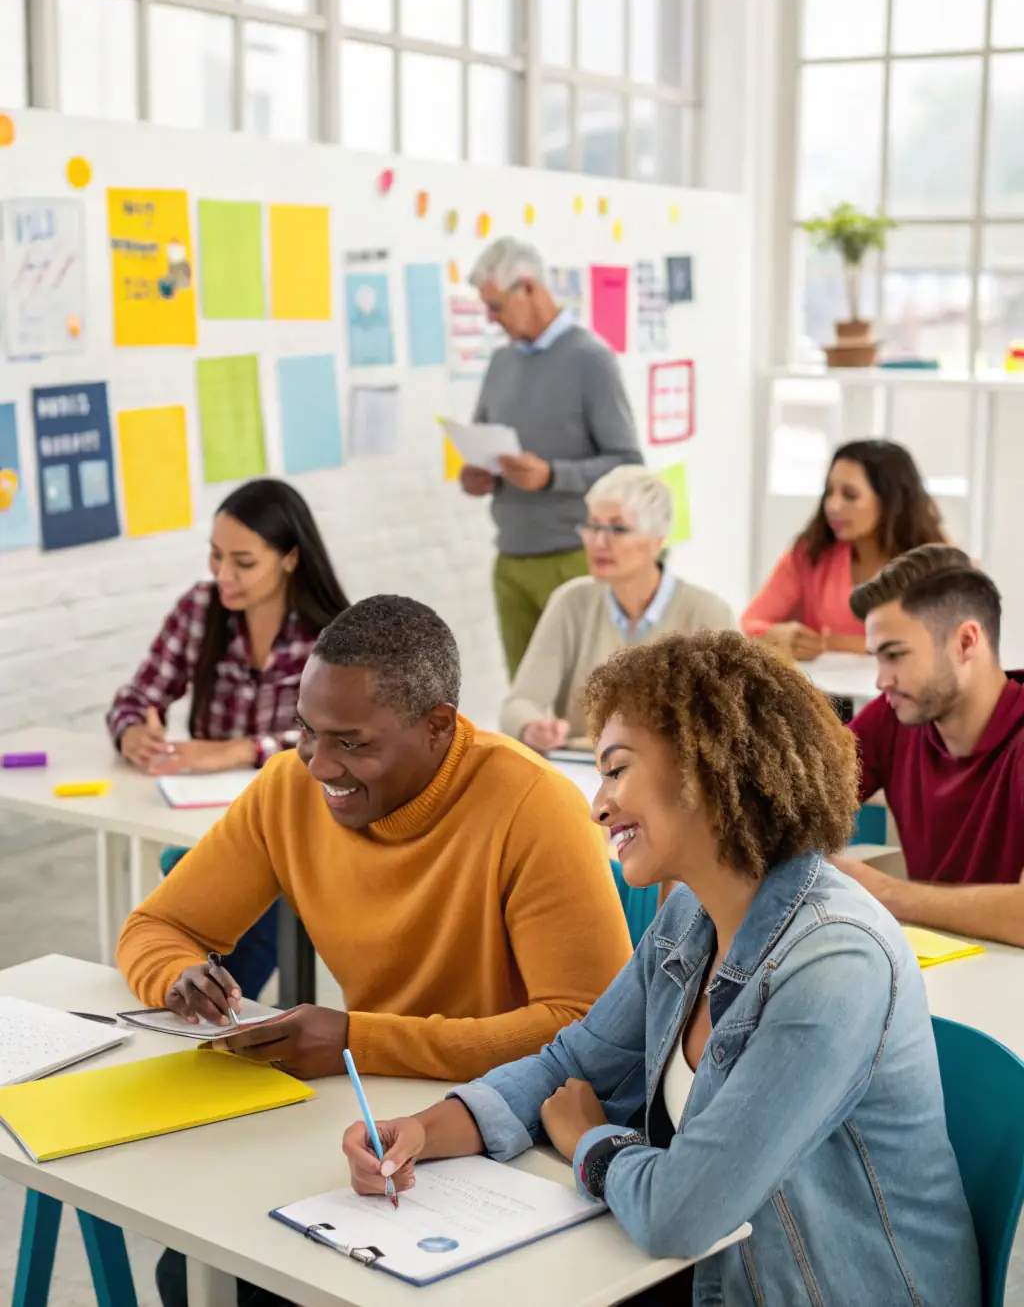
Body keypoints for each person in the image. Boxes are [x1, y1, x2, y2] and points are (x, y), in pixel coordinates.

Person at [341, 632, 980, 1307]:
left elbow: (682, 1213)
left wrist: (592, 1143)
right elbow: (570, 1065)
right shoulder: (689, 919)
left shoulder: (835, 961)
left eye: (617, 771)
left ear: (706, 766)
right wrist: (424, 1131)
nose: (598, 805)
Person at [125, 594, 632, 1307]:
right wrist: (178, 973)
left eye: (353, 742)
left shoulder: (533, 805)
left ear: (438, 726)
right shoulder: (286, 790)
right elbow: (154, 927)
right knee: (201, 1268)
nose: (318, 764)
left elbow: (586, 1029)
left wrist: (356, 1040)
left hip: (514, 1139)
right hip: (376, 1121)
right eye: (306, 731)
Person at [107, 478, 348, 1002]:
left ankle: (219, 1007)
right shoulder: (200, 609)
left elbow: (338, 739)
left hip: (295, 822)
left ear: (289, 558)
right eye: (216, 556)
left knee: (255, 904)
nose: (223, 575)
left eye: (243, 562)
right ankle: (214, 1005)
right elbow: (135, 696)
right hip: (208, 820)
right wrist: (133, 732)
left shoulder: (330, 635)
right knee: (200, 903)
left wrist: (239, 750)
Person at [462, 237, 643, 677]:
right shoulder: (501, 363)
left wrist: (551, 476)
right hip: (511, 558)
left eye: (495, 305)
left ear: (527, 287)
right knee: (525, 698)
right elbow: (483, 442)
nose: (490, 318)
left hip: (575, 557)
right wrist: (475, 477)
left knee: (587, 695)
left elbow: (627, 464)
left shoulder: (591, 360)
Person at [831, 544, 1024, 948]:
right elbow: (799, 801)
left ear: (966, 642)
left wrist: (887, 893)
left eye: (895, 656)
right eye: (877, 658)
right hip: (935, 968)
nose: (881, 681)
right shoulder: (895, 716)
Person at [501, 465, 736, 752]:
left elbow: (731, 722)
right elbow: (519, 703)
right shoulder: (571, 602)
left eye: (617, 528)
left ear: (656, 541)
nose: (599, 542)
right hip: (584, 768)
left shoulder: (708, 614)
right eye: (593, 526)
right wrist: (532, 728)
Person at [743, 439, 945, 660]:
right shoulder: (810, 553)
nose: (833, 506)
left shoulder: (936, 562)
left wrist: (829, 643)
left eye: (850, 495)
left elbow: (940, 641)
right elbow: (749, 624)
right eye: (829, 492)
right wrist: (779, 637)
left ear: (890, 501)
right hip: (823, 683)